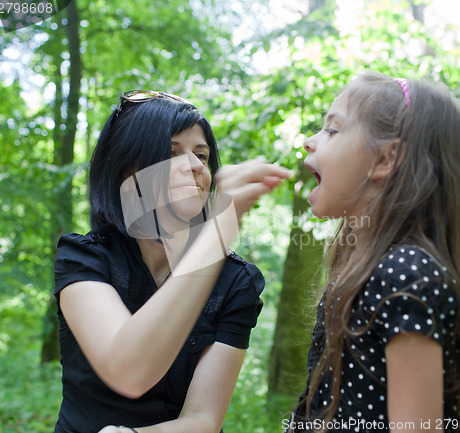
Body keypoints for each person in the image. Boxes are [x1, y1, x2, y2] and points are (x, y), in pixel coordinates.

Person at [53, 90, 290, 433]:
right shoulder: (84, 258)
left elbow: (205, 418)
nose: (195, 166)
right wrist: (220, 230)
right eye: (171, 152)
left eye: (202, 155)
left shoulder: (236, 281)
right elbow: (129, 370)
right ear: (123, 169)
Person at [285, 72, 460, 433]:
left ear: (385, 158)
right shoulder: (364, 266)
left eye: (332, 130)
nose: (309, 141)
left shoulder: (406, 274)